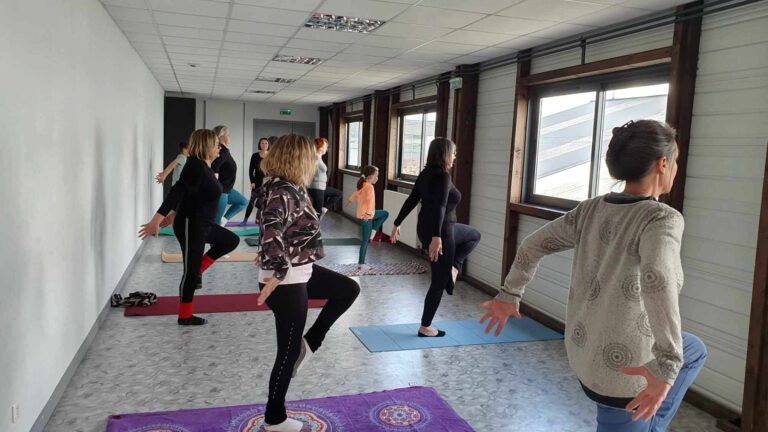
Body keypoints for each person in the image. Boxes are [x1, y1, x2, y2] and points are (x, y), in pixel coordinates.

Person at [480, 120, 707, 431]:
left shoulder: (590, 209)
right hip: (627, 372)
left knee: (693, 348)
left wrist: (509, 294)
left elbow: (532, 245)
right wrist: (666, 366)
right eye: (676, 160)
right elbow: (658, 279)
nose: (676, 167)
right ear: (663, 164)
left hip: (585, 354)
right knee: (677, 361)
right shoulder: (660, 218)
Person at [255, 134, 360, 432]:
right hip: (286, 281)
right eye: (311, 157)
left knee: (348, 289)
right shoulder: (283, 190)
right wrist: (276, 271)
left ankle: (310, 343)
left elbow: (273, 227)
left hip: (300, 272)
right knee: (286, 353)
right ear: (298, 158)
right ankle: (275, 418)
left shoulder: (282, 185)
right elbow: (271, 230)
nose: (315, 162)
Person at [139, 129, 240, 326]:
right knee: (190, 271)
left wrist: (174, 214)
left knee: (231, 241)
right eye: (215, 144)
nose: (218, 148)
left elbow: (192, 194)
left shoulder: (205, 166)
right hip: (191, 224)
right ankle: (184, 315)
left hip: (203, 223)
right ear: (205, 146)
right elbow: (177, 192)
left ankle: (199, 269)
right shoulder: (195, 166)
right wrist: (157, 219)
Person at [391, 138, 481, 337]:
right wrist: (436, 237)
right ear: (446, 154)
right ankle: (426, 326)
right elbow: (440, 206)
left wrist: (397, 223)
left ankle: (453, 266)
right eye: (454, 152)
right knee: (439, 282)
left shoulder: (425, 174)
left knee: (473, 235)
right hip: (441, 232)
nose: (455, 156)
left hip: (426, 229)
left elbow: (412, 199)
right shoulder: (443, 176)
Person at [346, 165, 389, 271]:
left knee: (385, 214)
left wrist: (350, 200)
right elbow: (370, 202)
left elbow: (356, 194)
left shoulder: (364, 184)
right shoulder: (369, 187)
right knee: (365, 240)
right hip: (366, 216)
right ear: (370, 176)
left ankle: (374, 231)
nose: (377, 178)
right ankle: (361, 263)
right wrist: (368, 215)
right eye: (376, 176)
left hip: (367, 214)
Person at [212, 125, 248, 226]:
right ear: (221, 136)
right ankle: (214, 239)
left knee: (243, 202)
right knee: (216, 223)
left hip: (228, 189)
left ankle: (224, 220)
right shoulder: (221, 150)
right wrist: (215, 184)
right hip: (221, 191)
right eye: (228, 135)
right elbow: (215, 165)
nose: (229, 137)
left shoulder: (225, 151)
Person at [240, 137, 269, 225]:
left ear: (268, 145)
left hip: (267, 182)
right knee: (252, 201)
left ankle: (262, 221)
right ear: (259, 145)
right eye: (262, 143)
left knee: (265, 202)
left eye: (266, 143)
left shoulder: (271, 155)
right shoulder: (255, 156)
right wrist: (252, 182)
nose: (264, 145)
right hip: (256, 181)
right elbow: (250, 170)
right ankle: (245, 221)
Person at [307, 137, 329, 216]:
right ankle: (316, 227)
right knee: (317, 212)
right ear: (320, 147)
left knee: (338, 194)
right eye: (325, 146)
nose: (326, 148)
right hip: (316, 187)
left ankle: (325, 208)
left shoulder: (319, 157)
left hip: (321, 186)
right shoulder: (314, 157)